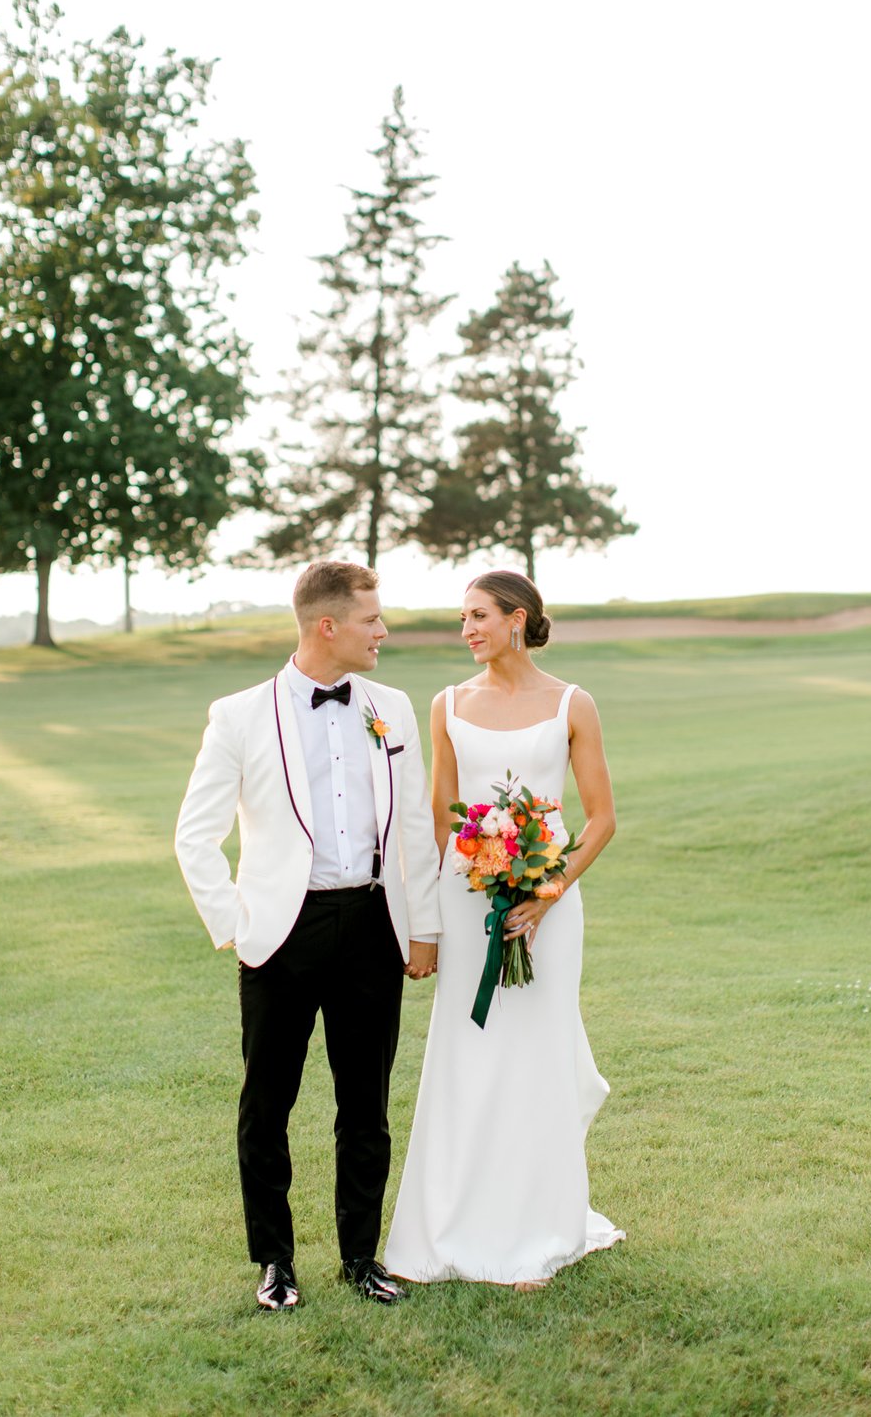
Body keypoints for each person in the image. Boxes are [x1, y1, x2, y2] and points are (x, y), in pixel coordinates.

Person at [175, 561, 440, 1310]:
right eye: (372, 620)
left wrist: (423, 927)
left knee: (367, 1104)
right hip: (279, 936)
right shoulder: (238, 715)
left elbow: (413, 827)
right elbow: (194, 837)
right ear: (329, 626)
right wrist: (236, 926)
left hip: (371, 928)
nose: (383, 631)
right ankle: (276, 1263)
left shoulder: (391, 705)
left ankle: (362, 1256)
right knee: (268, 1103)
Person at [384, 570, 625, 1287]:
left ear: (517, 620)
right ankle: (451, 1223)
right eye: (462, 618)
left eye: (479, 616)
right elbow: (438, 816)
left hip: (547, 908)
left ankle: (541, 1230)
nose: (467, 630)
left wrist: (547, 892)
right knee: (469, 1054)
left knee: (535, 1052)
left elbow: (601, 819)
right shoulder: (448, 704)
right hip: (468, 897)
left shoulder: (572, 704)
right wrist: (432, 915)